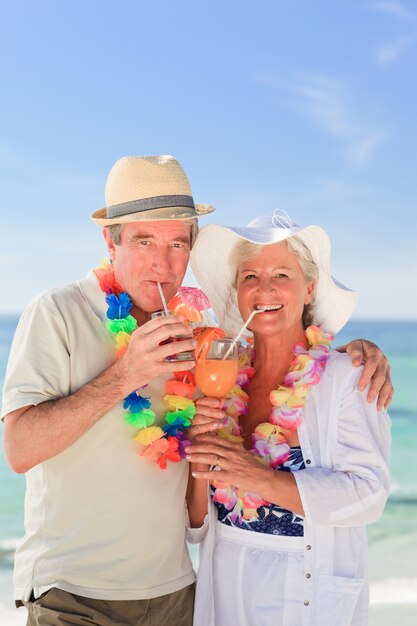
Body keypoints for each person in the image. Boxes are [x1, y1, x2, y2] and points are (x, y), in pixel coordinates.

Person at [1, 157, 390, 626]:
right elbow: (19, 450)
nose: (162, 264)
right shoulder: (57, 312)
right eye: (144, 241)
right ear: (111, 240)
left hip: (178, 595)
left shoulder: (203, 339)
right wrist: (127, 374)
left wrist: (352, 355)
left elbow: (273, 352)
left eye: (177, 244)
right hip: (76, 595)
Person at [185, 213, 391, 626]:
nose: (264, 290)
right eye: (249, 277)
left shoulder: (348, 376)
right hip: (226, 590)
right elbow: (196, 525)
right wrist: (197, 466)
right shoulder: (219, 382)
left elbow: (370, 493)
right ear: (237, 291)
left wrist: (258, 477)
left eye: (281, 274)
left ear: (308, 288)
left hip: (304, 600)